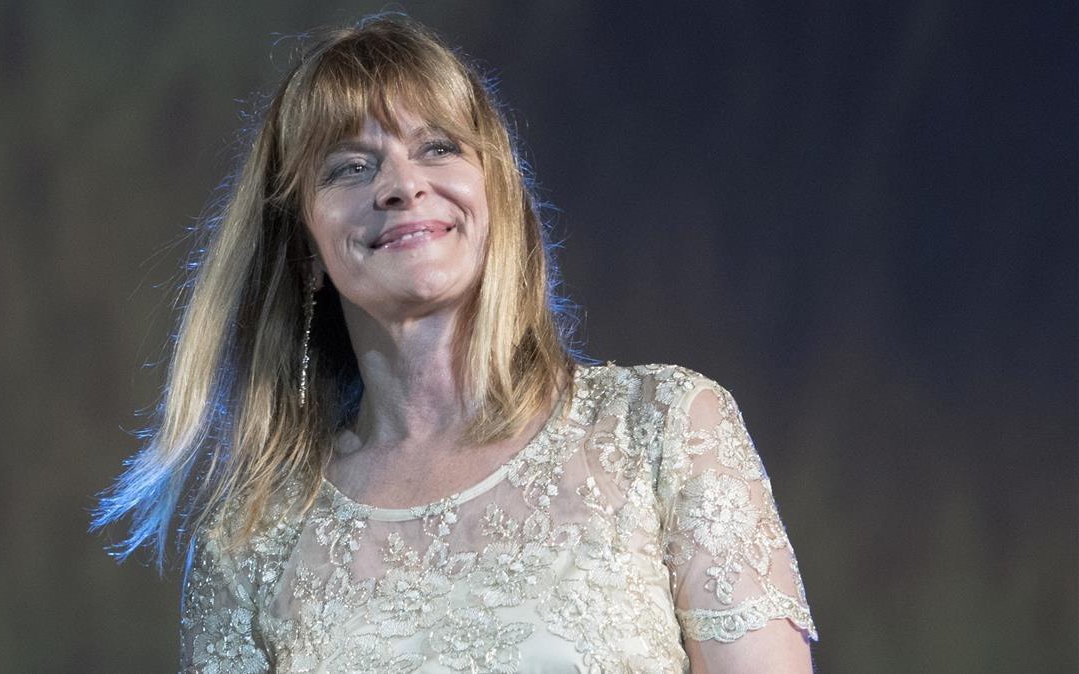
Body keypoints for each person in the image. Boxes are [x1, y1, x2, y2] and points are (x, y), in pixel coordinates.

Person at [94, 16, 817, 673]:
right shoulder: (248, 540)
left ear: (494, 194)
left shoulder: (664, 430)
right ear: (306, 247)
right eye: (350, 166)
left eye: (437, 147)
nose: (402, 185)